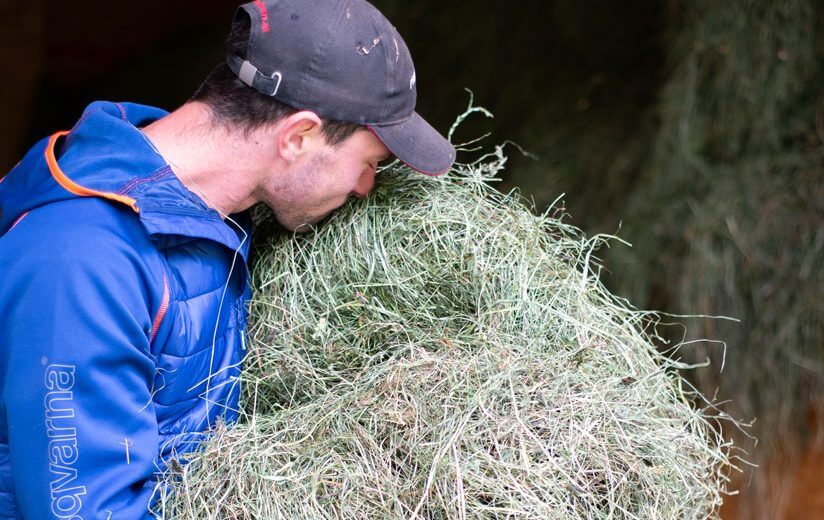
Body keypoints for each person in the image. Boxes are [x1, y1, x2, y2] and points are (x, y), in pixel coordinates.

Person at [0, 0, 455, 517]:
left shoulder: (214, 210)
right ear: (299, 136)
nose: (366, 188)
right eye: (369, 163)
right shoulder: (83, 265)